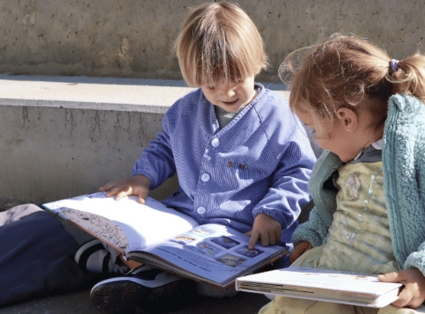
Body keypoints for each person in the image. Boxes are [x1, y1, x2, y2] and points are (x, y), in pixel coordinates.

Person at [84, 2, 315, 314]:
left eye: (237, 80)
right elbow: (166, 146)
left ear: (257, 63)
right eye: (211, 85)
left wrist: (273, 213)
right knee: (142, 239)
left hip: (244, 231)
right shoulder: (186, 110)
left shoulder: (277, 116)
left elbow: (300, 170)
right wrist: (142, 178)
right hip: (186, 219)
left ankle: (151, 280)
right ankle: (142, 268)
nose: (227, 93)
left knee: (222, 281)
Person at [259, 34, 425, 313]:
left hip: (392, 288)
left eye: (313, 129)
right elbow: (329, 212)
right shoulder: (342, 160)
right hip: (337, 277)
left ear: (346, 119)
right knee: (289, 305)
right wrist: (312, 236)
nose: (315, 140)